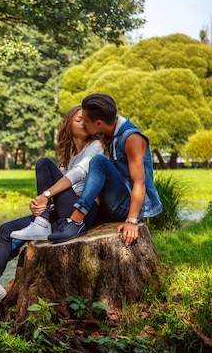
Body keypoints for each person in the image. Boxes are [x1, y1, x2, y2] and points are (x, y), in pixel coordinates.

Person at [0, 105, 107, 314]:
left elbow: (78, 174)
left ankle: (40, 223)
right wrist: (42, 201)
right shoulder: (68, 157)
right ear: (68, 125)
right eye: (79, 119)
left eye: (87, 120)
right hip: (63, 211)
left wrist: (46, 196)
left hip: (82, 213)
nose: (84, 123)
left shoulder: (95, 146)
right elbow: (59, 184)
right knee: (6, 229)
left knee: (43, 164)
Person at [47, 93, 162, 244]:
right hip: (108, 204)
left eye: (87, 122)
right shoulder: (108, 134)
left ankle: (76, 222)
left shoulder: (131, 138)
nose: (84, 126)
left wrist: (132, 220)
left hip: (127, 207)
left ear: (99, 123)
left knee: (99, 162)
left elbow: (139, 182)